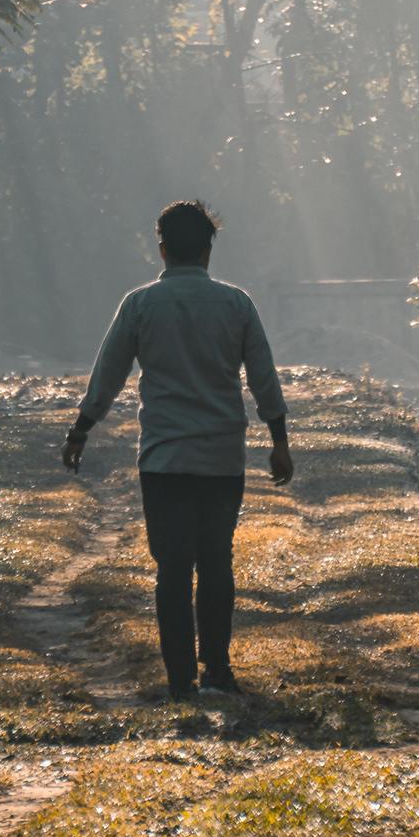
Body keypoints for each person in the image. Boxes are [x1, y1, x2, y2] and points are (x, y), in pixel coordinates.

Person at [61, 199, 292, 703]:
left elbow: (108, 375)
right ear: (209, 250)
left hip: (163, 459)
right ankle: (217, 670)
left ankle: (179, 678)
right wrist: (279, 442)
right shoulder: (237, 304)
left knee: (172, 567)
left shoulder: (140, 305)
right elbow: (263, 376)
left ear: (161, 248)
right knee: (216, 562)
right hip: (220, 458)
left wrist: (81, 429)